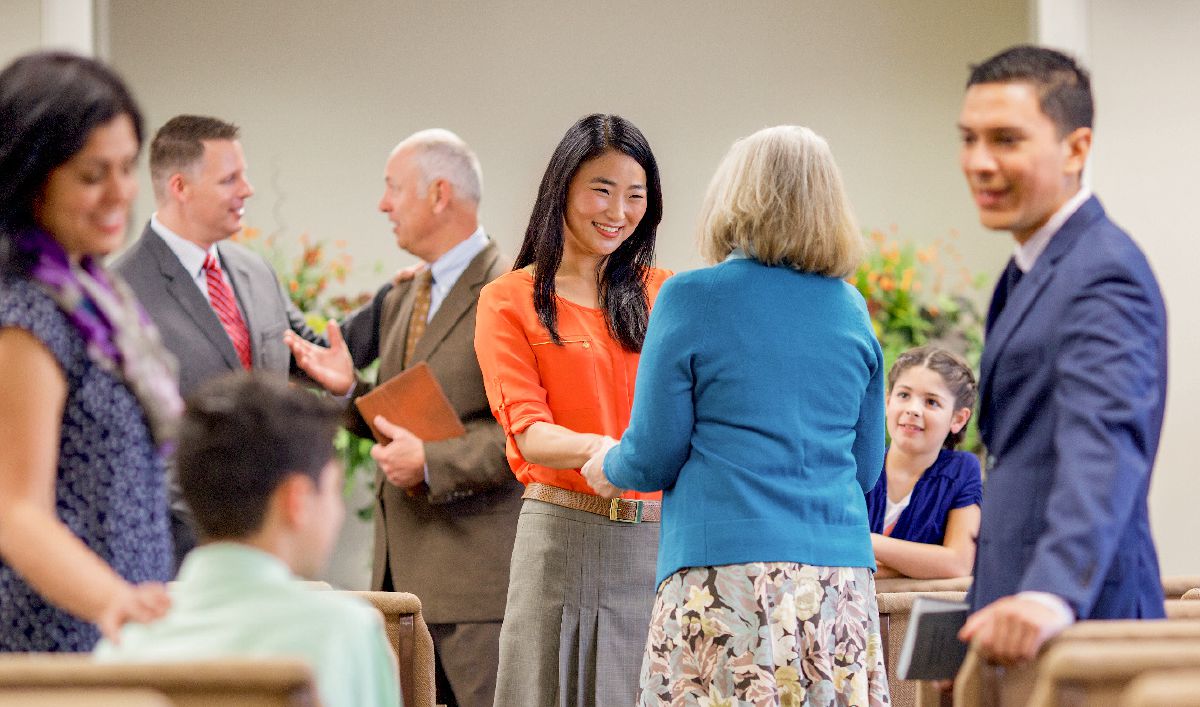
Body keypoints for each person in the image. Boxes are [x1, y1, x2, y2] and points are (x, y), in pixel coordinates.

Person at [582, 124, 889, 706]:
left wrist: (607, 465)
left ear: (735, 196)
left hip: (726, 578)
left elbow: (651, 453)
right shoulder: (851, 308)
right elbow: (867, 469)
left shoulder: (691, 296)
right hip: (837, 584)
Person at [285, 129, 520, 707]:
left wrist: (431, 461)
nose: (383, 205)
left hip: (477, 591)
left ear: (440, 194)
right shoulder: (404, 296)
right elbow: (402, 416)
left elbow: (525, 434)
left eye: (393, 189)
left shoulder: (512, 292)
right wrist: (348, 392)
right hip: (399, 590)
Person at [955, 45, 1168, 665]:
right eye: (968, 138)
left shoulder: (1103, 273)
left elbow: (1105, 442)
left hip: (1082, 623)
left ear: (1076, 149)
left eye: (1006, 139)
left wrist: (1049, 594)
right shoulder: (1029, 267)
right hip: (1015, 619)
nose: (979, 162)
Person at [474, 113, 669, 707]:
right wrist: (612, 456)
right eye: (601, 190)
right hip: (563, 539)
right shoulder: (508, 300)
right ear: (562, 188)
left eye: (635, 195)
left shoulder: (668, 294)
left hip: (662, 545)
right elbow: (529, 432)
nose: (618, 211)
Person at [0, 51, 178, 651]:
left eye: (127, 167)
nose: (120, 194)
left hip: (114, 633)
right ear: (29, 177)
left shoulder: (92, 292)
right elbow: (14, 512)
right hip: (54, 641)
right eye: (92, 174)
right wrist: (114, 600)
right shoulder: (23, 316)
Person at [95, 372, 402, 707]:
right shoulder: (346, 635)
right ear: (296, 500)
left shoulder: (123, 644)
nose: (338, 512)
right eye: (332, 491)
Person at [114, 115, 323, 567]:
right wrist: (217, 527)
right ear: (180, 187)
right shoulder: (121, 291)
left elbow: (308, 350)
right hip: (177, 552)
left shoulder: (256, 272)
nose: (247, 190)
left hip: (272, 541)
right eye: (230, 179)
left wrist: (396, 298)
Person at [865, 346, 982, 579]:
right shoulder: (860, 463)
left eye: (931, 402)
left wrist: (865, 541)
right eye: (904, 395)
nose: (913, 409)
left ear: (958, 419)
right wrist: (918, 563)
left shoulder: (962, 470)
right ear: (887, 402)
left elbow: (958, 564)